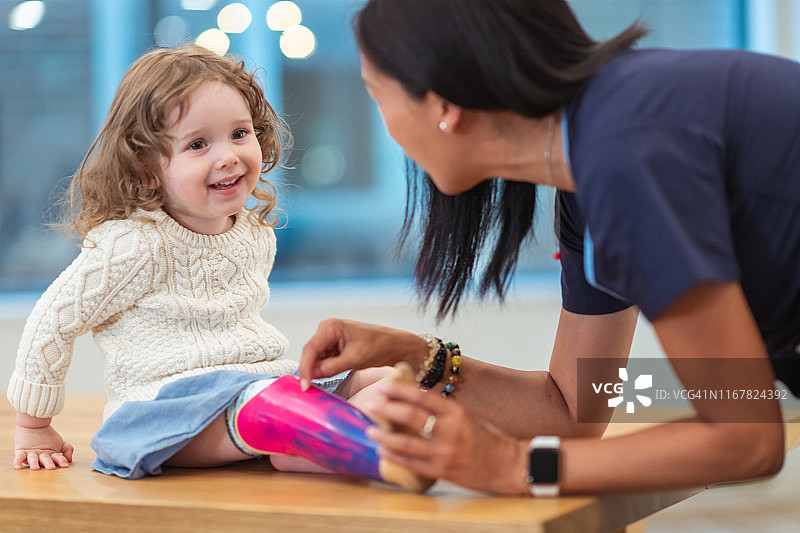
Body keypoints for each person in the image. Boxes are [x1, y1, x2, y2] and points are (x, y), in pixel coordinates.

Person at [298, 0, 800, 496]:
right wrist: (412, 355)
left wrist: (515, 466)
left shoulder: (623, 156)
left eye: (377, 94)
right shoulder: (590, 170)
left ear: (444, 106)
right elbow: (571, 411)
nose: (384, 123)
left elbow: (746, 440)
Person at [6, 44, 430, 491]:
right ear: (147, 168)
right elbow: (53, 319)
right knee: (271, 401)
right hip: (167, 413)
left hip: (258, 387)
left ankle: (316, 445)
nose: (227, 155)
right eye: (198, 144)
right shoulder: (134, 243)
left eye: (240, 134)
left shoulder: (250, 230)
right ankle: (369, 450)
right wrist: (34, 425)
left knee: (383, 376)